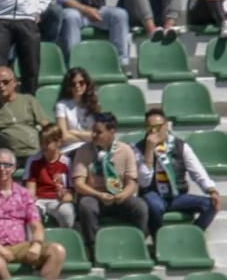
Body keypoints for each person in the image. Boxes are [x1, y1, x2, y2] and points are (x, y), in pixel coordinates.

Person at [0, 148, 66, 280]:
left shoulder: (24, 193)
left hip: (20, 246)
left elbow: (36, 225)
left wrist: (36, 244)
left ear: (14, 168)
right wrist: (0, 249)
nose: (2, 169)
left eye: (7, 165)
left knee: (57, 251)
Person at [134, 108, 221, 234]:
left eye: (158, 127)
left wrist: (211, 189)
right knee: (154, 205)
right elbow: (144, 182)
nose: (154, 131)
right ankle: (160, 241)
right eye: (150, 127)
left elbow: (198, 171)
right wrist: (149, 151)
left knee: (211, 204)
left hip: (176, 195)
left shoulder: (180, 146)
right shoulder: (138, 149)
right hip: (153, 194)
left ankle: (191, 237)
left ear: (166, 126)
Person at [71, 112, 149, 253]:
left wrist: (123, 195)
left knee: (140, 207)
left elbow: (132, 182)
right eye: (93, 131)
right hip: (94, 195)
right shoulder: (84, 151)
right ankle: (92, 248)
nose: (93, 135)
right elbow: (78, 184)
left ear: (111, 131)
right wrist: (99, 195)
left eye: (98, 132)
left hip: (118, 196)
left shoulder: (125, 150)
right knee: (86, 206)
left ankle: (137, 246)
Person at [0, 66, 48, 163]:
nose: (1, 86)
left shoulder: (28, 100)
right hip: (8, 158)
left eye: (5, 82)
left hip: (35, 153)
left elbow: (46, 126)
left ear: (14, 82)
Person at [23, 124, 76, 228]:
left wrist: (64, 196)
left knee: (67, 213)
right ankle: (34, 242)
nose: (43, 146)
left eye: (47, 143)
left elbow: (70, 193)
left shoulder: (66, 162)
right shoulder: (33, 161)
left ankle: (65, 239)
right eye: (41, 143)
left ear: (58, 142)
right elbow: (30, 189)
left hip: (57, 200)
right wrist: (32, 200)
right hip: (39, 200)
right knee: (31, 213)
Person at [55, 67, 99, 155]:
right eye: (73, 84)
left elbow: (96, 135)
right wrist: (87, 137)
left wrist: (74, 132)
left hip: (92, 148)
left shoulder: (94, 104)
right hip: (71, 149)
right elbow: (64, 136)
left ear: (87, 84)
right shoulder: (61, 105)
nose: (77, 86)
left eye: (81, 83)